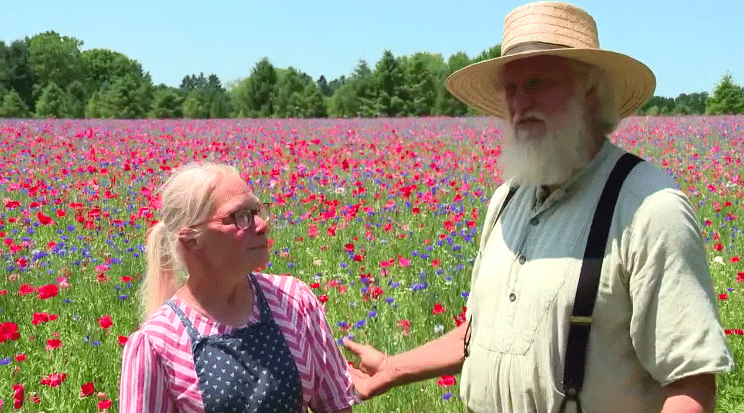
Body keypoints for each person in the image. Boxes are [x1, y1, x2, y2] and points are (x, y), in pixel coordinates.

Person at [342, 2, 734, 412]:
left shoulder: (648, 209)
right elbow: (483, 334)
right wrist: (392, 367)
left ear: (590, 91)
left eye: (536, 83)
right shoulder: (507, 198)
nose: (518, 103)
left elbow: (690, 385)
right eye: (510, 89)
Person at [120, 162, 357, 413]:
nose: (262, 225)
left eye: (257, 211)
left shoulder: (294, 302)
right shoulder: (157, 344)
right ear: (191, 241)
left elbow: (337, 406)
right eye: (239, 217)